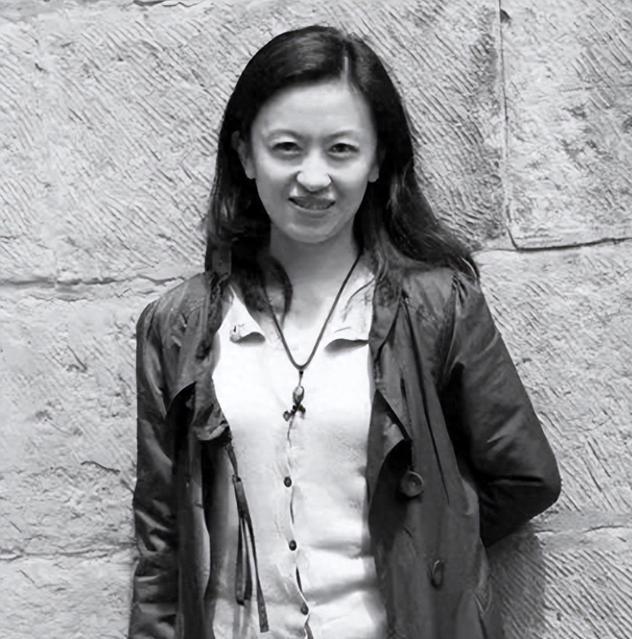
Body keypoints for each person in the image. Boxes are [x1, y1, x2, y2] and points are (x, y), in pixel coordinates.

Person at [128, 25, 561, 639]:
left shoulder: (437, 307)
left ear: (377, 159)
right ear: (246, 155)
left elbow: (525, 477)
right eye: (286, 147)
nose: (313, 177)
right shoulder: (177, 327)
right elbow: (162, 537)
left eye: (340, 149)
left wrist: (424, 548)